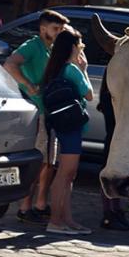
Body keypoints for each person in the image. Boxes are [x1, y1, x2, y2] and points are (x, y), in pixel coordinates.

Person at [2, 9, 70, 223]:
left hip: (49, 111)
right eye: (55, 28)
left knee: (49, 162)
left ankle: (40, 205)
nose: (59, 32)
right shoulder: (33, 45)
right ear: (43, 29)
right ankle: (24, 208)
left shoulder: (52, 49)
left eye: (61, 29)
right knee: (38, 161)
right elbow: (10, 64)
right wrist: (28, 85)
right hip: (37, 112)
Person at [40, 27, 94, 235]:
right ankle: (55, 221)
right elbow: (89, 95)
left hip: (62, 125)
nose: (81, 50)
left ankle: (67, 219)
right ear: (73, 47)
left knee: (68, 175)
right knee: (65, 174)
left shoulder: (56, 67)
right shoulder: (72, 69)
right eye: (80, 46)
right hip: (71, 127)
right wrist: (84, 69)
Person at [97, 70, 129, 231]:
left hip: (117, 134)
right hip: (114, 135)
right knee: (110, 172)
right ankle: (109, 214)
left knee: (118, 172)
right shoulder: (112, 95)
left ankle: (116, 210)